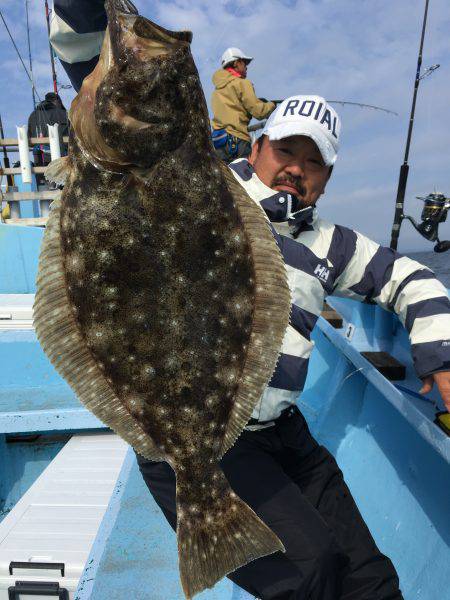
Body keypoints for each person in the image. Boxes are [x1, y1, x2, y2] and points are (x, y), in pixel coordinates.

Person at [137, 95, 450, 599]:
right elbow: (120, 113)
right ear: (258, 147)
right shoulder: (200, 193)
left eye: (314, 161)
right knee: (307, 575)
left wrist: (440, 352)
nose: (296, 170)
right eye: (286, 151)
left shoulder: (330, 243)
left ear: (327, 176)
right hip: (191, 437)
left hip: (280, 431)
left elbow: (408, 276)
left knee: (371, 578)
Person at [211, 47, 275, 163]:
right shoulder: (242, 83)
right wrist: (271, 105)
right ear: (236, 63)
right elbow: (259, 112)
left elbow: (232, 107)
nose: (246, 67)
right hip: (238, 140)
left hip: (218, 141)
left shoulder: (217, 90)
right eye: (244, 63)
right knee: (243, 179)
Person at [27, 92, 69, 183]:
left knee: (44, 185)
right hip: (62, 160)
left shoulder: (33, 115)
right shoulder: (64, 114)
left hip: (40, 161)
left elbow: (29, 143)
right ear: (56, 101)